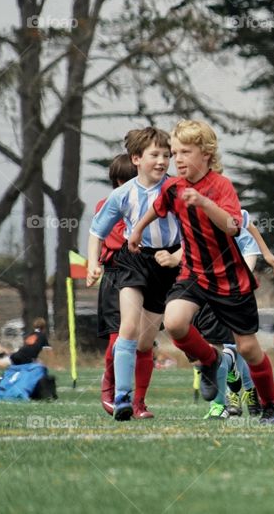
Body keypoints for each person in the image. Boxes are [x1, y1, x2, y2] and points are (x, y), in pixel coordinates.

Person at [128, 119, 274, 425]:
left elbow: (232, 224)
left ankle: (272, 404)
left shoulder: (221, 187)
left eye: (185, 152)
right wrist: (137, 231)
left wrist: (202, 201)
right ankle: (211, 361)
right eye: (175, 153)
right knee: (174, 323)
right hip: (194, 274)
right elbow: (158, 207)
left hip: (230, 279)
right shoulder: (174, 187)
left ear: (207, 154)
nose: (178, 159)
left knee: (249, 348)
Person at [88, 128, 180, 421]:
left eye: (167, 155)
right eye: (155, 155)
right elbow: (96, 231)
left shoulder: (177, 189)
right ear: (137, 159)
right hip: (133, 261)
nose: (162, 161)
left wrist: (178, 256)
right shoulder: (122, 194)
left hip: (165, 264)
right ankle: (122, 398)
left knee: (145, 341)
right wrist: (93, 262)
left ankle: (139, 402)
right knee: (127, 327)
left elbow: (194, 230)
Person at [194, 208, 274, 420]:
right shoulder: (191, 210)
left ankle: (245, 393)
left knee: (243, 345)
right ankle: (228, 396)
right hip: (204, 286)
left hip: (234, 288)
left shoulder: (230, 210)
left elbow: (248, 229)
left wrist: (244, 276)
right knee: (214, 347)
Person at [95, 153, 138, 416]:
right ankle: (109, 385)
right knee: (117, 336)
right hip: (115, 274)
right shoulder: (107, 204)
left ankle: (137, 399)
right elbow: (112, 238)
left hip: (141, 274)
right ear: (119, 180)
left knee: (138, 339)